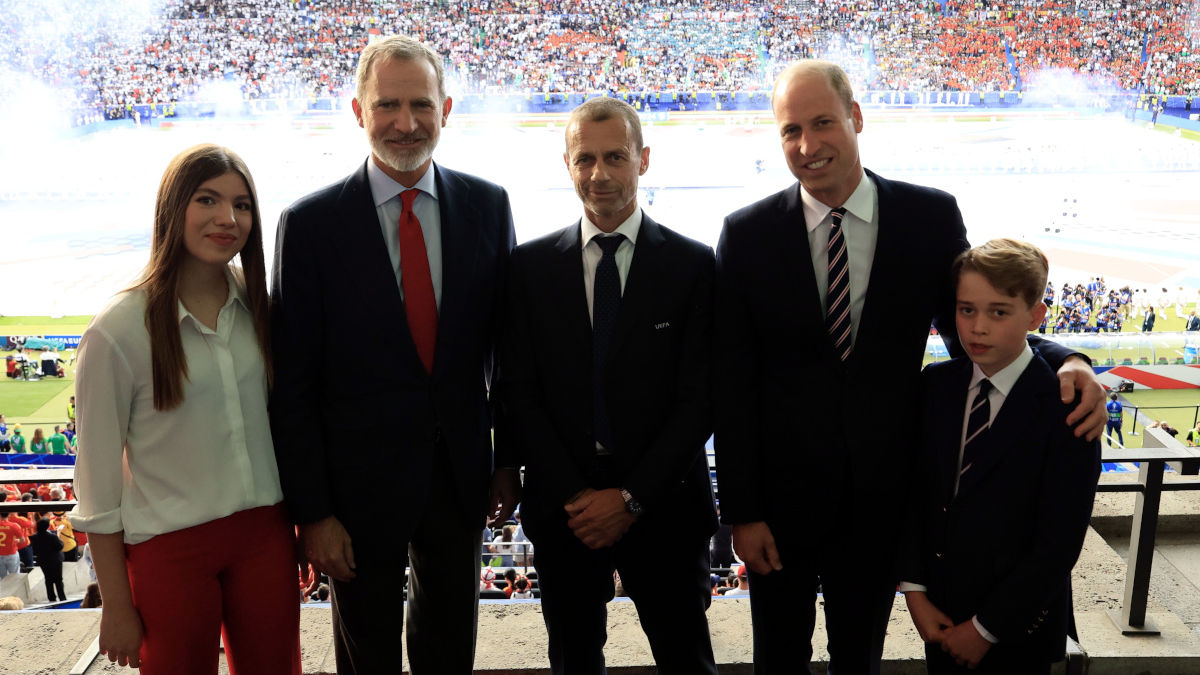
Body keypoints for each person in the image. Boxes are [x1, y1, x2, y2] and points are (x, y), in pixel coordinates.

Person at [712, 60, 1107, 674]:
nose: (808, 146)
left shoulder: (929, 217)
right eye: (791, 130)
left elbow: (975, 327)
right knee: (777, 660)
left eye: (823, 123)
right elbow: (731, 379)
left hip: (882, 502)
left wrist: (1068, 357)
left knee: (859, 659)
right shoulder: (747, 234)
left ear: (857, 118)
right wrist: (743, 510)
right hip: (781, 508)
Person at [270, 35, 517, 675]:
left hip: (458, 480)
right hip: (354, 494)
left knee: (448, 651)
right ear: (358, 111)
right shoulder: (312, 225)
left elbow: (508, 356)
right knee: (364, 656)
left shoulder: (489, 206)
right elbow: (291, 383)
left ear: (447, 109)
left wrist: (506, 463)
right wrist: (314, 512)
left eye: (420, 105)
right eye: (387, 106)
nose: (405, 124)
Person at [500, 96, 718, 674]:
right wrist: (578, 497)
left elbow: (700, 401)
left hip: (666, 506)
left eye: (615, 157)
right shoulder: (528, 269)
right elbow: (518, 395)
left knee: (687, 660)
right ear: (566, 165)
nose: (600, 175)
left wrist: (629, 499)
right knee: (573, 661)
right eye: (585, 159)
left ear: (643, 160)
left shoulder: (694, 266)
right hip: (565, 512)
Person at [72, 144, 300, 674]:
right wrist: (116, 604)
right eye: (208, 200)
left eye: (242, 205)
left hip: (265, 537)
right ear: (173, 208)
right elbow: (98, 486)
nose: (228, 219)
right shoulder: (117, 330)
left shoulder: (260, 305)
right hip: (169, 549)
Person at [901, 239, 1100, 673]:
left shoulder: (1069, 407)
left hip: (1019, 629)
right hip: (940, 614)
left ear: (1036, 315)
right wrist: (915, 591)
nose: (977, 328)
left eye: (999, 312)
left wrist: (986, 629)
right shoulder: (935, 386)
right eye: (966, 309)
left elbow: (1059, 541)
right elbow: (916, 495)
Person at [29, 517, 65, 601]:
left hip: (43, 560)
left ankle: (51, 597)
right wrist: (58, 534)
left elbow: (35, 549)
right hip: (55, 560)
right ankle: (62, 597)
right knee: (58, 579)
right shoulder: (52, 536)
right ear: (47, 526)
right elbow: (60, 546)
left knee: (48, 579)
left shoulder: (34, 537)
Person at [0, 512, 27, 579]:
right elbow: (22, 540)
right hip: (11, 554)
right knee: (14, 576)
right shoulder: (14, 526)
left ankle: (4, 589)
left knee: (3, 577)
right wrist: (16, 540)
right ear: (9, 515)